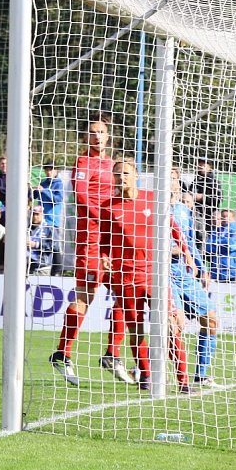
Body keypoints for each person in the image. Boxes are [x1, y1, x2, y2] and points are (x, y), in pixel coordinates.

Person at [99, 160, 193, 392]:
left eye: (126, 173)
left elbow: (172, 226)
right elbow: (104, 240)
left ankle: (183, 382)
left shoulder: (152, 198)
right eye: (117, 174)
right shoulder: (109, 207)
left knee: (171, 325)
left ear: (136, 175)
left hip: (154, 274)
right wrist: (104, 256)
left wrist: (187, 254)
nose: (122, 178)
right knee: (137, 329)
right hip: (126, 277)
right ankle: (146, 377)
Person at [49, 111, 115, 387]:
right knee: (84, 298)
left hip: (114, 239)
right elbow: (82, 196)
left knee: (127, 294)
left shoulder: (113, 164)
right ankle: (63, 353)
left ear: (109, 135)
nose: (97, 136)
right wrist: (104, 218)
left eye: (101, 131)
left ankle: (115, 354)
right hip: (90, 240)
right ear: (85, 137)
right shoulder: (83, 162)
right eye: (92, 132)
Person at [170, 175, 218, 387]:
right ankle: (146, 369)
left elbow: (188, 242)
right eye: (167, 176)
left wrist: (203, 269)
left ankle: (201, 373)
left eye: (173, 177)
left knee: (211, 320)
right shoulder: (151, 205)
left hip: (185, 274)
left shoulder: (182, 210)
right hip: (164, 273)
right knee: (175, 325)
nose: (170, 181)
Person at [33, 160, 65, 275]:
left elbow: (58, 199)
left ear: (56, 170)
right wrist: (33, 190)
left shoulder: (58, 183)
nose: (48, 172)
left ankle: (57, 271)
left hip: (52, 221)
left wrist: (44, 191)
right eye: (47, 169)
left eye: (51, 169)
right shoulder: (43, 183)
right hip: (41, 222)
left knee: (54, 246)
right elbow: (35, 196)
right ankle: (40, 269)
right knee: (42, 245)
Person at [205, 209, 236, 282]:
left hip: (233, 272)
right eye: (223, 216)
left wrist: (216, 244)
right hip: (216, 271)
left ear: (233, 218)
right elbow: (208, 247)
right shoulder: (216, 230)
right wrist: (223, 244)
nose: (224, 218)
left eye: (227, 216)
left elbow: (231, 245)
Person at [190, 158, 222, 240]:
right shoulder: (195, 181)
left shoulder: (213, 182)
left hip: (208, 216)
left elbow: (217, 200)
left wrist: (202, 197)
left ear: (209, 168)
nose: (200, 167)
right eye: (199, 165)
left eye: (203, 165)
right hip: (195, 215)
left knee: (205, 238)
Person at [27, 204, 54, 275]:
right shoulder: (27, 228)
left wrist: (36, 244)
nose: (35, 217)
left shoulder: (48, 228)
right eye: (33, 214)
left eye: (37, 214)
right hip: (27, 266)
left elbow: (54, 246)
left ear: (42, 215)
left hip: (42, 267)